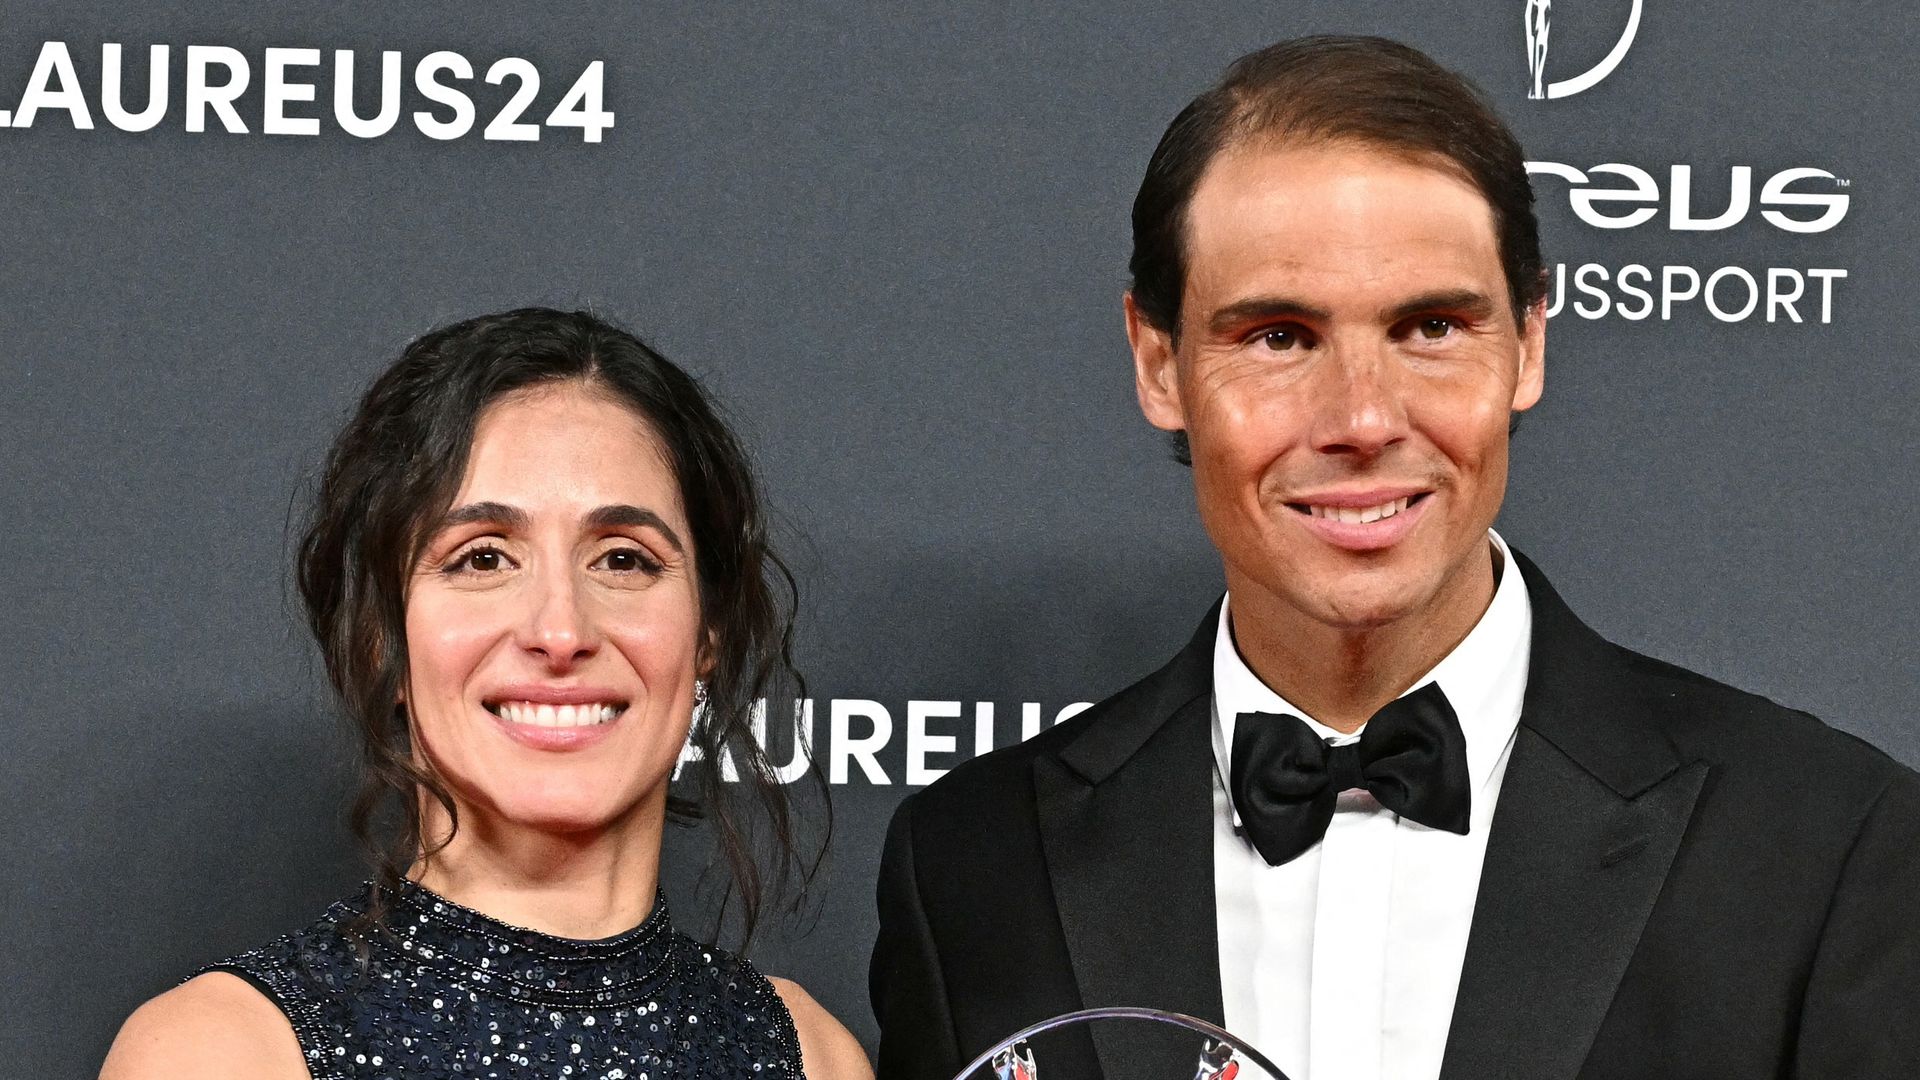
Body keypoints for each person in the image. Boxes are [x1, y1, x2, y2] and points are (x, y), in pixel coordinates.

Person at [870, 35, 1920, 1080]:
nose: (1363, 418)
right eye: (1279, 336)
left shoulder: (1825, 844)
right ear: (1159, 364)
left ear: (1530, 343)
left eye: (1430, 327)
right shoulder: (972, 866)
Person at [102, 308, 872, 1080]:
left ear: (708, 631)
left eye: (624, 560)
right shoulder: (223, 1052)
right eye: (482, 559)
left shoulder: (809, 1055)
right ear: (384, 640)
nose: (561, 630)